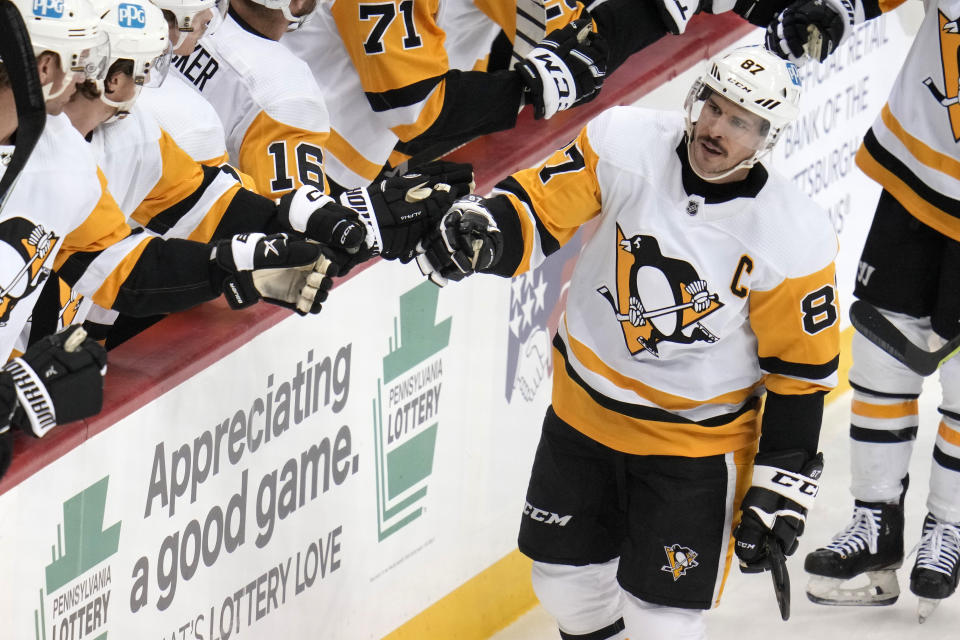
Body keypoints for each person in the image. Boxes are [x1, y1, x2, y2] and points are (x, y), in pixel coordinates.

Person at [414, 45, 839, 640]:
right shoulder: (625, 141)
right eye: (713, 108)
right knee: (562, 583)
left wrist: (779, 486)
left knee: (661, 622)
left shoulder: (791, 237)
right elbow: (537, 210)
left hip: (692, 446)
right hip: (583, 416)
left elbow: (800, 374)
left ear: (768, 137)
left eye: (740, 121)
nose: (715, 129)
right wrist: (486, 234)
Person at [763, 0, 960, 622]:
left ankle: (949, 527)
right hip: (916, 178)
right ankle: (875, 517)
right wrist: (829, 16)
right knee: (880, 358)